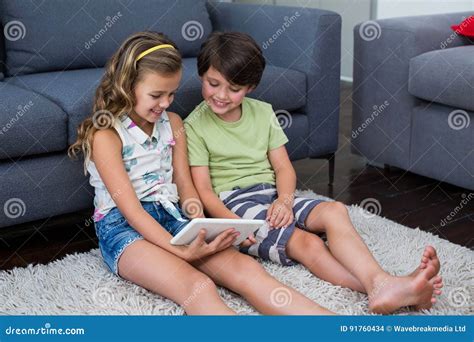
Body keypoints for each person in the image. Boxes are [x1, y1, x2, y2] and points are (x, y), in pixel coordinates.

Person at [68, 31, 334, 315]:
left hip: (173, 217)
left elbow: (186, 188)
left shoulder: (173, 123)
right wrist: (181, 252)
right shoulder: (106, 136)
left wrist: (206, 226)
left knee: (246, 269)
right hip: (123, 229)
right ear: (127, 85)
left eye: (172, 94)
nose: (166, 103)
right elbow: (132, 211)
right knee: (197, 285)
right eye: (156, 95)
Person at [185, 32, 443, 313]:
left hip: (270, 193)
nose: (221, 95)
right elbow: (205, 192)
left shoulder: (263, 112)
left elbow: (283, 167)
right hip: (235, 203)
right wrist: (234, 225)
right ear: (201, 76)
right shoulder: (195, 125)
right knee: (305, 242)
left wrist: (284, 200)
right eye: (213, 84)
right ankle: (382, 287)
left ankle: (383, 282)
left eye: (233, 88)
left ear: (250, 87)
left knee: (335, 212)